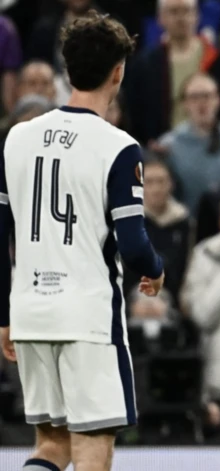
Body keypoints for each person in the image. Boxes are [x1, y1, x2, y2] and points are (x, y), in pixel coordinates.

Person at [0, 12, 165, 471]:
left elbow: (0, 236)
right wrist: (155, 267)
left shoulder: (16, 138)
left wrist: (3, 316)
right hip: (87, 318)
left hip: (30, 312)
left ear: (67, 68)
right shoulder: (118, 147)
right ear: (119, 71)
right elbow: (132, 244)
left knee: (50, 445)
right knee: (94, 446)